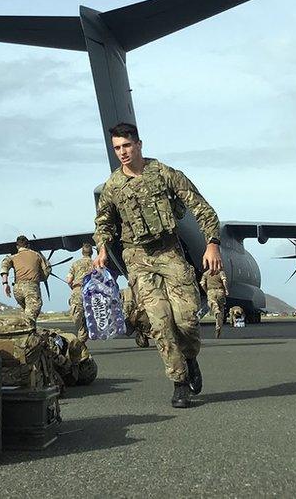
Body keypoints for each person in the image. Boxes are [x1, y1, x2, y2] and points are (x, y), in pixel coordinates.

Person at [92, 122, 222, 408]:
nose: (122, 153)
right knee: (160, 323)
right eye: (117, 148)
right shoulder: (113, 186)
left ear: (138, 144)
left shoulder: (164, 174)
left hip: (169, 252)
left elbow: (202, 208)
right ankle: (179, 383)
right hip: (137, 257)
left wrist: (212, 243)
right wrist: (102, 247)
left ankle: (189, 357)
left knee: (186, 318)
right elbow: (104, 223)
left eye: (126, 146)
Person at [0, 235, 51, 320]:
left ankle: (25, 329)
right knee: (31, 316)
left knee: (26, 313)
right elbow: (47, 269)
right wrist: (39, 277)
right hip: (31, 288)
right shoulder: (37, 255)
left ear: (17, 246)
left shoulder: (13, 257)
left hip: (17, 289)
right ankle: (29, 331)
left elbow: (4, 265)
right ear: (28, 245)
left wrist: (5, 284)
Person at [64, 243, 95, 358]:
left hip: (78, 291)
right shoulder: (96, 264)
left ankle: (81, 338)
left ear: (82, 252)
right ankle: (82, 339)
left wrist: (73, 287)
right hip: (93, 293)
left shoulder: (75, 264)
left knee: (77, 315)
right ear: (91, 253)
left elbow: (69, 280)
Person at [200, 268, 229, 338]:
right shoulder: (221, 272)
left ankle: (216, 310)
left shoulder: (206, 274)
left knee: (211, 303)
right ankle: (218, 326)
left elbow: (202, 283)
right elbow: (224, 281)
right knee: (221, 308)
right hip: (220, 291)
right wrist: (226, 290)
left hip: (211, 291)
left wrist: (206, 291)